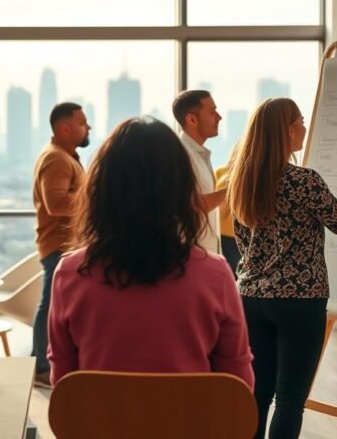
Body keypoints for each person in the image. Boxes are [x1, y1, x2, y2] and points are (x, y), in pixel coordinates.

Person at [48, 117, 254, 388]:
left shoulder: (70, 273)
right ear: (180, 190)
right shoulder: (215, 274)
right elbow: (238, 386)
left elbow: (64, 385)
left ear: (101, 190)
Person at [227, 98, 337, 439]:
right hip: (300, 300)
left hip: (251, 297)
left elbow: (243, 244)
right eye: (300, 122)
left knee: (258, 394)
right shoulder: (303, 181)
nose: (304, 127)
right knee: (289, 398)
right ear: (288, 131)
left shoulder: (242, 180)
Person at [32, 102, 89, 388]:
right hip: (59, 245)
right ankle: (41, 366)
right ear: (65, 128)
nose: (88, 127)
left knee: (53, 306)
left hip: (66, 246)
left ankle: (44, 363)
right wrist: (94, 200)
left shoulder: (65, 156)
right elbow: (55, 205)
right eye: (83, 122)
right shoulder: (56, 159)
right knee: (50, 306)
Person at [173, 90, 225, 254]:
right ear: (192, 119)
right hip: (189, 261)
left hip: (205, 257)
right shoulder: (180, 155)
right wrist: (234, 189)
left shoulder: (198, 154)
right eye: (212, 112)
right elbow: (195, 205)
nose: (219, 117)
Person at [215, 144, 241, 275]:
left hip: (237, 238)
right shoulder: (220, 172)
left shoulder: (247, 176)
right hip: (217, 234)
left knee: (230, 276)